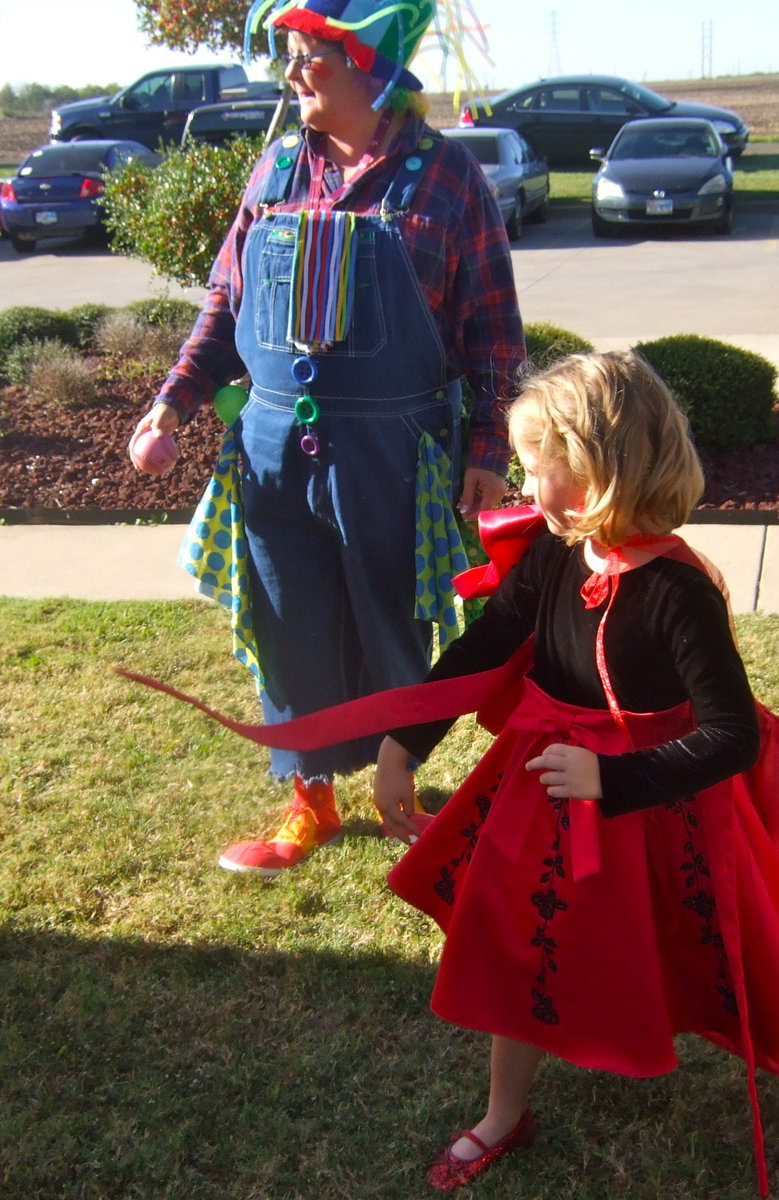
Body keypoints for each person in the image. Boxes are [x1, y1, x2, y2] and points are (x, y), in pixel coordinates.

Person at [373, 351, 779, 1197]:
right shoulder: (555, 553)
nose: (523, 483)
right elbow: (487, 646)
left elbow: (730, 736)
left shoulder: (677, 591)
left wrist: (612, 782)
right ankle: (507, 1113)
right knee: (522, 944)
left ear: (589, 472)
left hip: (673, 809)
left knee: (770, 967)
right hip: (551, 788)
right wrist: (408, 739)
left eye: (532, 465)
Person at [128, 0, 526, 877]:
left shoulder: (447, 178)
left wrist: (488, 451)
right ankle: (310, 798)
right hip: (270, 447)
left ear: (368, 70)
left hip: (396, 452)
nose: (293, 72)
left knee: (392, 621)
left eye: (311, 55)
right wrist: (173, 404)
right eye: (292, 54)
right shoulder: (273, 169)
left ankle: (399, 792)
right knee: (287, 621)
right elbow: (224, 307)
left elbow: (494, 334)